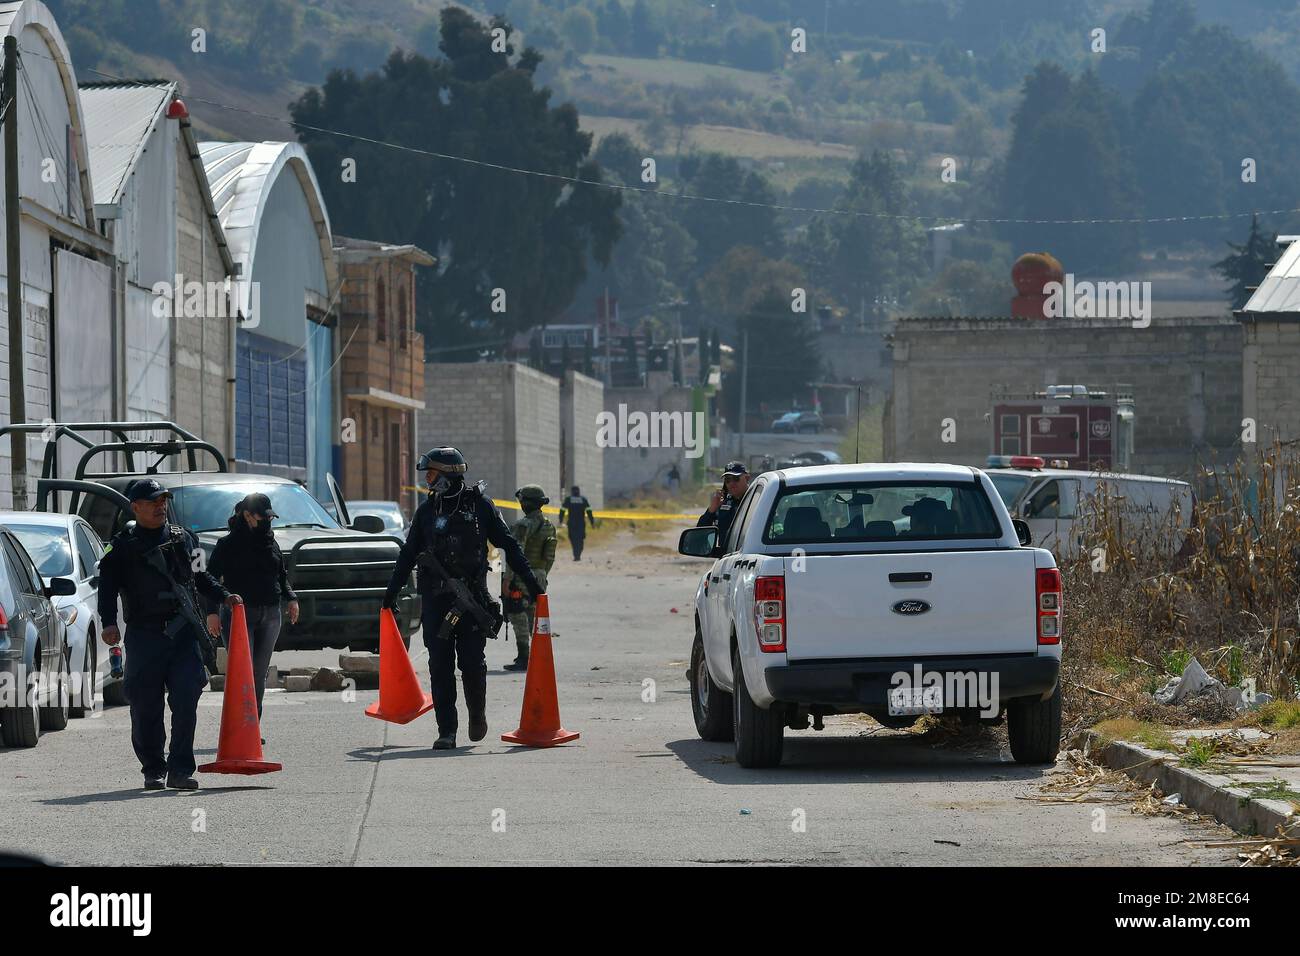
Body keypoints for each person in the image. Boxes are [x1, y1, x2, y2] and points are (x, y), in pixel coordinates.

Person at [382, 447, 544, 750]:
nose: (427, 479)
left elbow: (508, 543)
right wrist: (391, 593)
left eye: (431, 473)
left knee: (472, 663)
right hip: (435, 600)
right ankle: (447, 731)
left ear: (447, 475)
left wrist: (533, 584)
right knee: (439, 666)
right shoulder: (426, 511)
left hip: (472, 601)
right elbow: (408, 554)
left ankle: (477, 715)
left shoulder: (480, 507)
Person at [97, 478, 242, 791]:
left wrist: (224, 595)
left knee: (187, 697)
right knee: (145, 704)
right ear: (135, 507)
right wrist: (108, 622)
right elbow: (106, 586)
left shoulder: (184, 539)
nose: (161, 506)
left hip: (183, 634)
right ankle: (153, 768)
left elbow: (202, 577)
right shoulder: (121, 545)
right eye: (153, 501)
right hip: (144, 634)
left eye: (163, 500)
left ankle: (180, 770)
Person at [206, 493, 300, 722]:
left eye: (270, 518)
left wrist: (291, 598)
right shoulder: (228, 544)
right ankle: (238, 724)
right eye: (262, 518)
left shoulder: (271, 541)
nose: (267, 522)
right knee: (242, 672)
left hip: (271, 614)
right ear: (247, 516)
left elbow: (281, 575)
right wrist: (212, 612)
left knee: (259, 673)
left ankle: (252, 725)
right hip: (239, 615)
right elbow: (210, 578)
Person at [502, 485, 557, 672]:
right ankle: (541, 656)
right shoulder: (549, 526)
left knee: (518, 616)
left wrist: (507, 580)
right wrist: (541, 575)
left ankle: (524, 657)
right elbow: (550, 557)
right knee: (535, 618)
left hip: (522, 577)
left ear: (526, 503)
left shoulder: (523, 525)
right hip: (540, 576)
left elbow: (515, 555)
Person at [698, 460, 751, 545]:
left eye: (736, 479)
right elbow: (700, 533)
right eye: (728, 480)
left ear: (747, 478)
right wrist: (712, 510)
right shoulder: (723, 504)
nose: (731, 483)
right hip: (727, 556)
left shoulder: (757, 500)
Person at [558, 486, 596, 561]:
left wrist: (561, 520)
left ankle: (576, 554)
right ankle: (577, 554)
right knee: (580, 538)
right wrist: (592, 522)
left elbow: (562, 510)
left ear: (572, 491)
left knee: (573, 538)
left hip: (572, 523)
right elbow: (589, 511)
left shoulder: (568, 499)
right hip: (581, 523)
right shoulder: (583, 499)